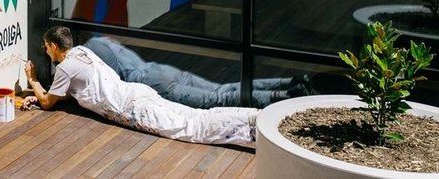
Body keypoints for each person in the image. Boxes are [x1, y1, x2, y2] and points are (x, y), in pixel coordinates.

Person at [23, 26, 257, 146]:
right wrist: (45, 95)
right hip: (137, 93)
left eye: (45, 47)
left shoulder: (64, 68)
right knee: (196, 116)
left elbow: (47, 103)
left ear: (54, 46)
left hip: (133, 109)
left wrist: (33, 80)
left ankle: (254, 133)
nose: (45, 51)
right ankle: (252, 117)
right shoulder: (82, 52)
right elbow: (71, 92)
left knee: (192, 129)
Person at [84, 35, 312, 109]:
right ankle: (291, 81)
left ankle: (284, 96)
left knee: (219, 99)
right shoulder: (100, 40)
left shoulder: (87, 54)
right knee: (223, 88)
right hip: (158, 69)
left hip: (152, 83)